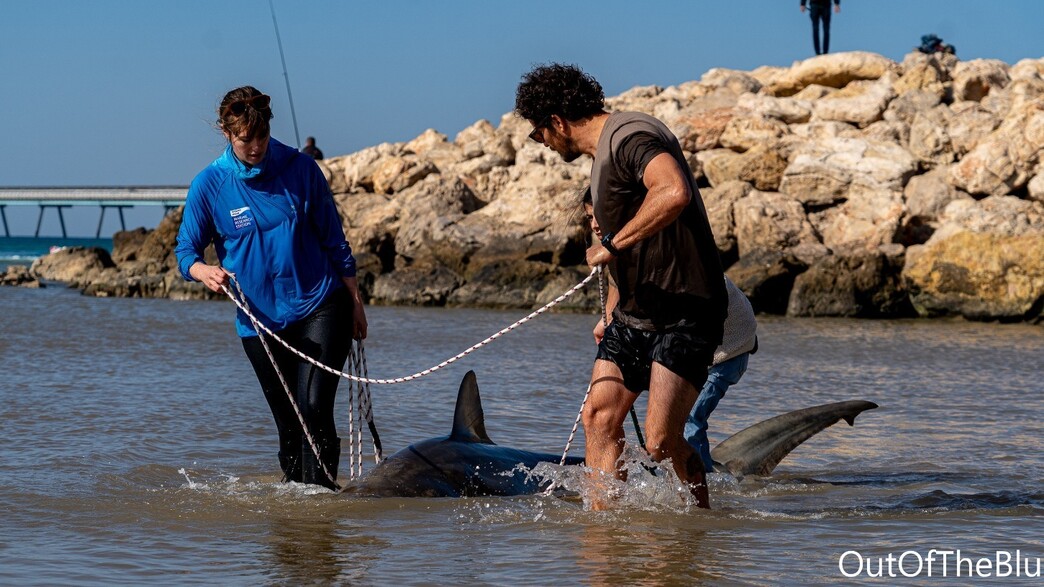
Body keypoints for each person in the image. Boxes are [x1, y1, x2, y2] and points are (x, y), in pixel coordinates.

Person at [518, 64, 727, 509]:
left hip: (686, 309)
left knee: (659, 443)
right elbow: (632, 258)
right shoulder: (603, 158)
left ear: (557, 121)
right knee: (599, 417)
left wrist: (612, 242)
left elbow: (673, 191)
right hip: (636, 310)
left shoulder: (629, 137)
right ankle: (603, 537)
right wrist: (611, 311)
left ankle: (702, 528)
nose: (544, 145)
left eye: (539, 134)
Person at [175, 86, 367, 490]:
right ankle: (296, 533)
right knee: (289, 429)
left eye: (261, 136)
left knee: (314, 410)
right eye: (246, 139)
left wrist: (354, 300)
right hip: (258, 322)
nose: (256, 146)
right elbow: (185, 251)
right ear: (228, 133)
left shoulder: (301, 169)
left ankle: (320, 510)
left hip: (319, 304)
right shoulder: (209, 185)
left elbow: (335, 241)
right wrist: (202, 271)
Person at [582, 187, 758, 476]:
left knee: (683, 427)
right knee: (611, 417)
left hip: (727, 349)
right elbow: (619, 281)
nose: (595, 224)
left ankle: (708, 494)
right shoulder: (617, 244)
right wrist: (609, 319)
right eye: (589, 217)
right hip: (676, 341)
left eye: (599, 215)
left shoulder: (659, 245)